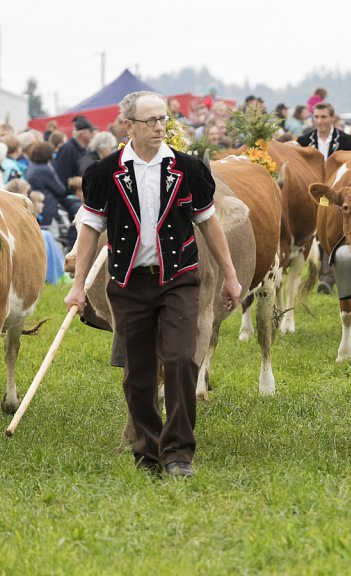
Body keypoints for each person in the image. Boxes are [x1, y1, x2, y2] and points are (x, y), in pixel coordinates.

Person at [65, 91, 242, 479]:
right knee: (138, 372)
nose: (160, 127)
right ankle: (147, 451)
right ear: (128, 126)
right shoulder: (103, 173)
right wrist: (78, 287)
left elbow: (209, 222)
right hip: (128, 283)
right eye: (151, 121)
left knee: (180, 360)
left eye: (163, 119)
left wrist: (230, 274)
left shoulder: (190, 169)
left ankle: (179, 452)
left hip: (178, 279)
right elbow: (91, 231)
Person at [25, 140, 80, 247]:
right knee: (53, 241)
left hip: (38, 205)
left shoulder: (32, 166)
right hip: (48, 208)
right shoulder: (45, 169)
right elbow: (60, 190)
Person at [53, 116, 96, 186]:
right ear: (83, 133)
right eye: (90, 131)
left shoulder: (83, 148)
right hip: (70, 194)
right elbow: (61, 175)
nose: (92, 134)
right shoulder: (68, 149)